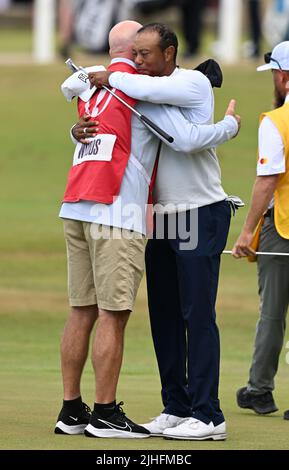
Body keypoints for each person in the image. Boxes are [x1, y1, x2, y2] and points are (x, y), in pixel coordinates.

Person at [56, 20, 240, 439]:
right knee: (165, 316)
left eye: (145, 54)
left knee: (197, 314)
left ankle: (208, 414)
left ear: (169, 53)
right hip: (157, 213)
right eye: (133, 53)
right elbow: (90, 111)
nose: (137, 61)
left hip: (197, 209)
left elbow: (182, 139)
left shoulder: (189, 82)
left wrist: (229, 128)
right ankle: (176, 406)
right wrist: (83, 113)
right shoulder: (134, 87)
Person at [232, 41, 289, 419]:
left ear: (283, 77)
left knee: (272, 314)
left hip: (282, 227)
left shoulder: (276, 121)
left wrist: (246, 231)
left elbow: (266, 181)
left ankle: (260, 389)